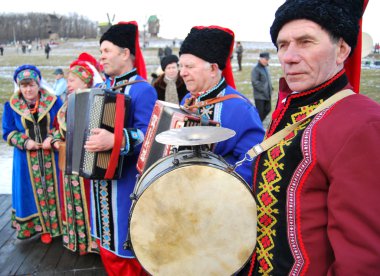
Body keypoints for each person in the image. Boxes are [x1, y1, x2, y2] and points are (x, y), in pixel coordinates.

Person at [240, 0, 380, 275]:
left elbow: (362, 261)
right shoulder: (291, 109)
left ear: (341, 50)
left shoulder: (363, 123)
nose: (289, 57)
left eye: (305, 42)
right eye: (283, 44)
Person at [84, 21, 157, 276]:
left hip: (126, 185)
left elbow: (150, 136)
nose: (101, 57)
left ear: (125, 53)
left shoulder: (143, 90)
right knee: (107, 247)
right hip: (99, 186)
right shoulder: (99, 88)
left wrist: (116, 140)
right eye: (100, 51)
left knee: (127, 253)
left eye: (106, 51)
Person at [179, 25, 265, 185]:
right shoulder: (186, 100)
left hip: (218, 198)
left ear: (212, 69)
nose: (182, 72)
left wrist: (216, 186)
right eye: (181, 66)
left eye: (189, 66)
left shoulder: (241, 109)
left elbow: (252, 162)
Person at [48, 54, 103, 255]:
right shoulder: (66, 104)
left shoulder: (96, 103)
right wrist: (55, 141)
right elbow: (56, 129)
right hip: (67, 163)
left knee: (88, 202)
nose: (68, 84)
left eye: (72, 80)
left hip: (87, 164)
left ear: (85, 80)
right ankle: (76, 240)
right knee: (70, 201)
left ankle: (92, 242)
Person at [2, 65, 63, 244]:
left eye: (31, 85)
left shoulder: (54, 101)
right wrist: (24, 141)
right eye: (24, 86)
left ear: (39, 84)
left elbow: (62, 124)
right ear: (19, 87)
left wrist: (51, 138)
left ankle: (58, 227)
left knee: (56, 190)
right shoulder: (11, 106)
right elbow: (7, 131)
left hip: (52, 156)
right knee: (30, 193)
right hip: (25, 159)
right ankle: (41, 228)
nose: (28, 89)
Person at [251, 52, 273, 122]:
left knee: (268, 109)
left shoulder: (265, 68)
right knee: (260, 112)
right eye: (266, 59)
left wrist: (270, 88)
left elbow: (267, 80)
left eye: (268, 59)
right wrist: (263, 89)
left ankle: (258, 122)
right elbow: (255, 82)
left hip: (267, 94)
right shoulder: (256, 69)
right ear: (261, 59)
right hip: (260, 96)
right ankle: (257, 124)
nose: (267, 61)